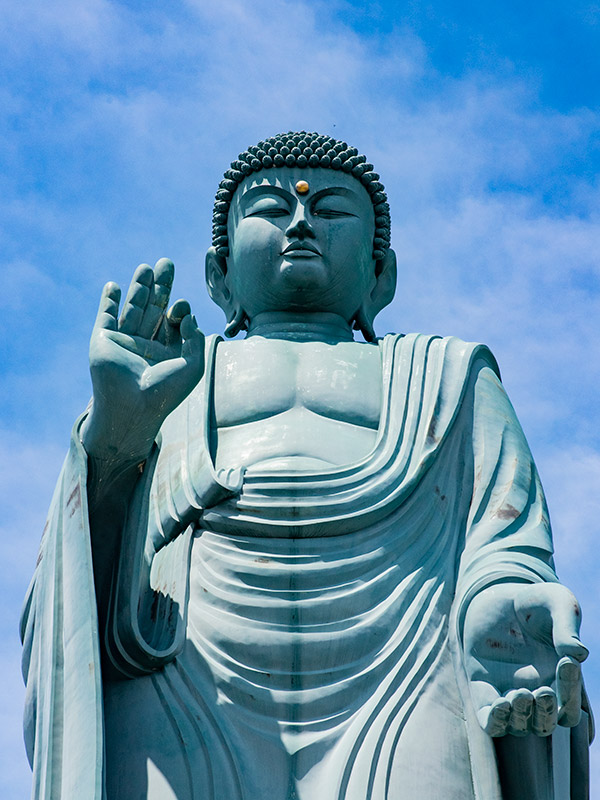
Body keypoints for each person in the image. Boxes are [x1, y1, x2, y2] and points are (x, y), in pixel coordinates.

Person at [21, 131, 592, 799]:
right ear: (219, 274)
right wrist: (117, 434)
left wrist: (507, 601)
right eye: (269, 208)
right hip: (188, 665)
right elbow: (84, 571)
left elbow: (507, 542)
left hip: (405, 664)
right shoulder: (169, 381)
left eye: (332, 210)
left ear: (382, 275)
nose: (299, 222)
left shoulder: (450, 378)